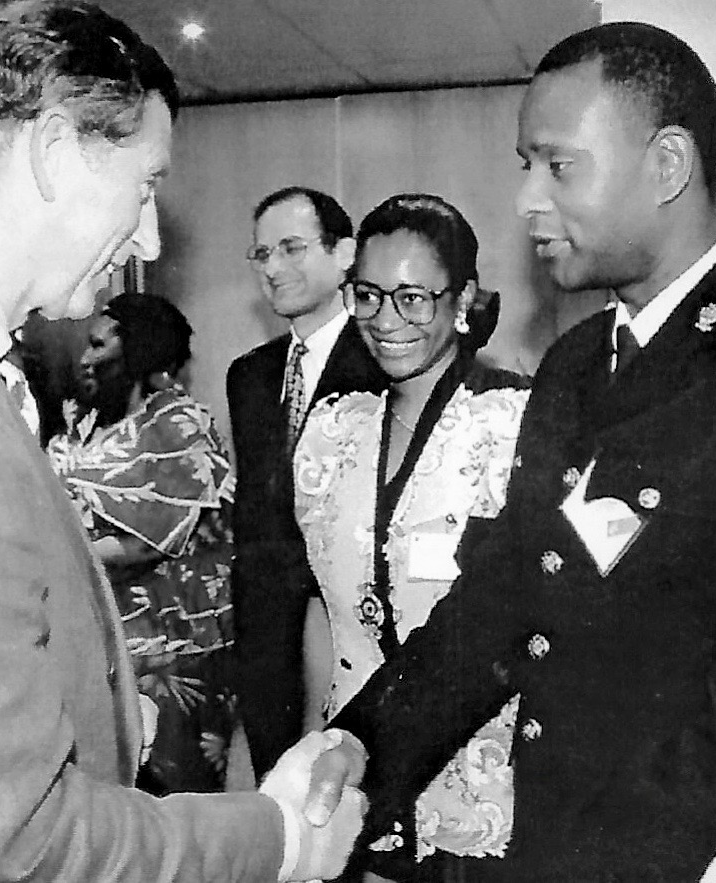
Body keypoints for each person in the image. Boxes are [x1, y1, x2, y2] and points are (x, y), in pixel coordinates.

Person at [0, 2, 366, 880]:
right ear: (52, 151)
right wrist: (283, 839)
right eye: (145, 185)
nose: (147, 235)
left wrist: (112, 722)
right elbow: (23, 846)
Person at [331, 20, 716, 881]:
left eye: (558, 165)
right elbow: (508, 594)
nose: (525, 199)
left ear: (667, 165)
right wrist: (359, 747)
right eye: (525, 166)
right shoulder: (575, 363)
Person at [294, 194, 530, 882]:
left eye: (413, 299)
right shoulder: (332, 430)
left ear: (463, 300)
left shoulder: (513, 422)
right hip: (352, 774)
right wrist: (315, 745)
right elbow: (323, 609)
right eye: (367, 296)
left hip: (475, 782)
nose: (386, 320)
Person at [228, 186, 388, 781]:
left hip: (354, 630)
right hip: (267, 636)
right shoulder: (250, 376)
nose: (272, 268)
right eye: (261, 254)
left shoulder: (384, 361)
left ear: (344, 254)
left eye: (291, 248)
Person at [48, 292, 238, 793]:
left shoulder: (179, 426)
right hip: (94, 644)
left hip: (168, 655)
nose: (84, 358)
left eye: (98, 345)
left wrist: (54, 556)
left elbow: (147, 544)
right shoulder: (82, 425)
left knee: (170, 806)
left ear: (140, 354)